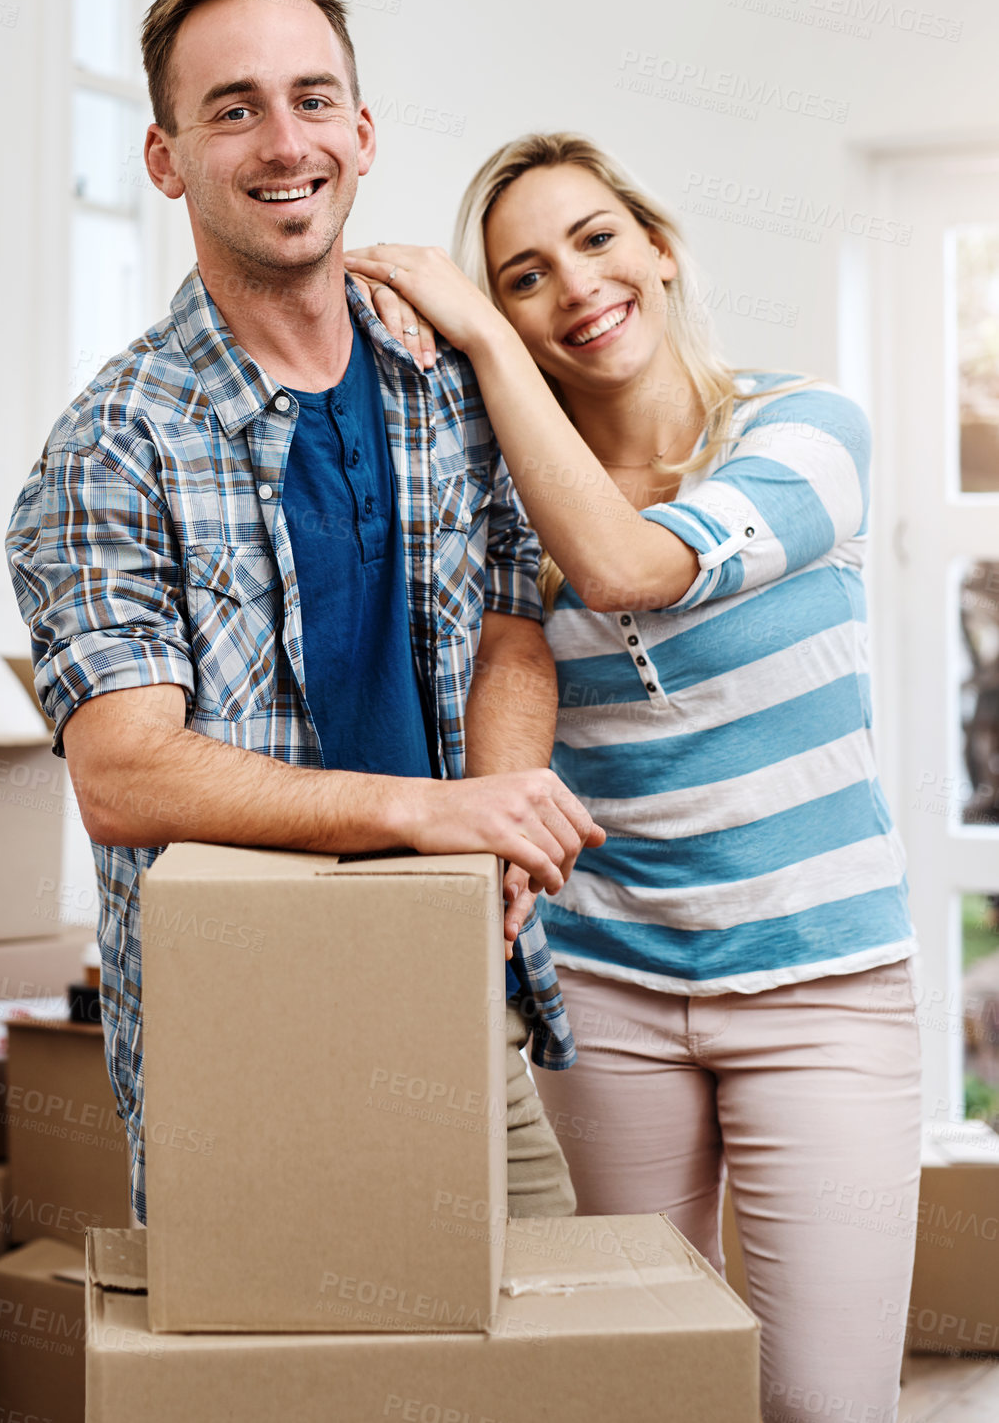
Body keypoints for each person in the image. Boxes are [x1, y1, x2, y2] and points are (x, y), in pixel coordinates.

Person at [5, 0, 604, 1228]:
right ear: (165, 158)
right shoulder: (112, 445)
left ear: (364, 129)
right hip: (253, 1036)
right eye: (234, 109)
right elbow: (126, 774)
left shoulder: (447, 384)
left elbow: (510, 621)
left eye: (313, 98)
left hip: (466, 995)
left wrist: (494, 822)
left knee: (555, 1368)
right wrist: (433, 816)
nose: (286, 142)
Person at [344, 132, 921, 1423]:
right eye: (522, 277)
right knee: (636, 1390)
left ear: (656, 251)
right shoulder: (501, 509)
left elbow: (627, 569)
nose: (574, 286)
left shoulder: (804, 428)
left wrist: (484, 349)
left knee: (818, 1402)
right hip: (607, 989)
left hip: (818, 988)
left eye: (595, 239)